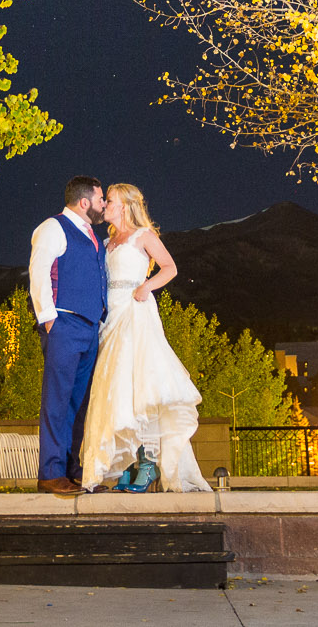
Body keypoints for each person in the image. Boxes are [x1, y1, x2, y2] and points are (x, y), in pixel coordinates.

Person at [77, 183, 211, 492]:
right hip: (110, 317)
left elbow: (170, 268)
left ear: (123, 205)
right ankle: (119, 464)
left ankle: (147, 465)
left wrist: (147, 286)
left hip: (135, 313)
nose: (104, 205)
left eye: (108, 201)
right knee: (113, 390)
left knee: (140, 388)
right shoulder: (107, 241)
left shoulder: (143, 236)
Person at [28, 175, 107, 494]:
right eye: (101, 199)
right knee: (57, 402)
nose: (104, 205)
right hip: (64, 325)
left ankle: (74, 470)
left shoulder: (92, 235)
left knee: (80, 403)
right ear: (85, 201)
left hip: (89, 328)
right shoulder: (53, 227)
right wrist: (49, 320)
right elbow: (38, 272)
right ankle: (50, 473)